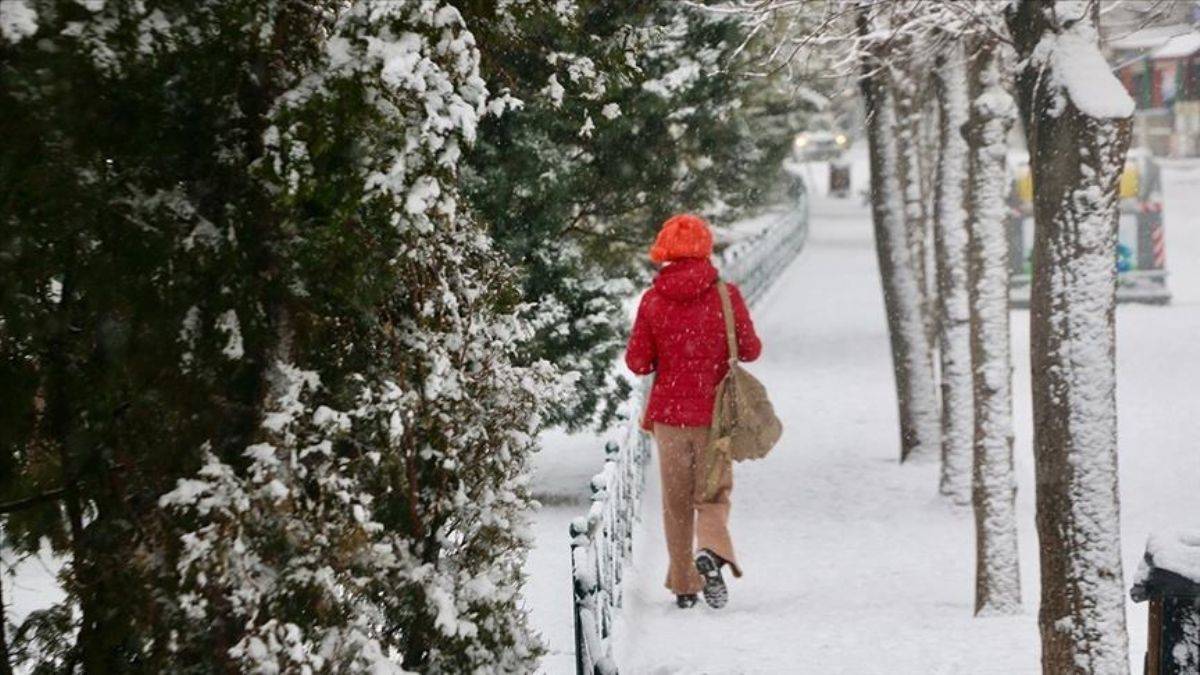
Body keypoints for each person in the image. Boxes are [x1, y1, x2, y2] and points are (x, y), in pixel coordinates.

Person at [625, 213, 762, 610]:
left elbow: (638, 362)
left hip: (669, 417)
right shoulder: (725, 295)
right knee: (714, 494)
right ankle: (711, 551)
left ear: (664, 251)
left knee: (676, 501)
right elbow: (750, 349)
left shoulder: (653, 299)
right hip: (714, 416)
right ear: (706, 248)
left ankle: (685, 583)